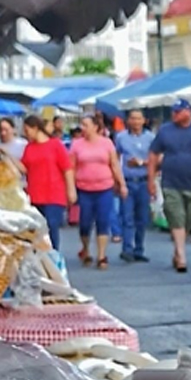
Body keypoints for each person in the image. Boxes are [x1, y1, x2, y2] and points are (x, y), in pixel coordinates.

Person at [148, 99, 191, 273]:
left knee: (187, 219)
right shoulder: (165, 131)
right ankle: (182, 256)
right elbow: (153, 154)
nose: (174, 115)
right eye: (173, 111)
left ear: (188, 112)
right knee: (176, 215)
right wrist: (150, 179)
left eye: (177, 111)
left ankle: (177, 250)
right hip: (170, 182)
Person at [70, 115, 127, 270]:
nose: (83, 128)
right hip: (84, 188)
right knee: (85, 222)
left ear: (95, 127)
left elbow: (114, 165)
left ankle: (102, 255)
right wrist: (70, 188)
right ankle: (86, 249)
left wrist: (122, 184)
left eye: (86, 124)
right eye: (82, 125)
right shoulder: (76, 144)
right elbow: (72, 168)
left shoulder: (107, 143)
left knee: (103, 221)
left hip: (104, 188)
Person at [15, 115, 75, 250]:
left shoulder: (55, 145)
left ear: (36, 128)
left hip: (53, 193)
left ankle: (53, 255)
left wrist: (71, 190)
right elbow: (25, 168)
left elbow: (67, 168)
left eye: (27, 130)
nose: (26, 134)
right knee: (37, 229)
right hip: (35, 193)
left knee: (51, 226)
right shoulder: (29, 147)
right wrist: (9, 157)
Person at [115, 109, 154, 263]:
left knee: (142, 218)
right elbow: (115, 159)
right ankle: (127, 249)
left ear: (144, 120)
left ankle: (139, 249)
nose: (136, 122)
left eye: (139, 119)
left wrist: (141, 163)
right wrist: (117, 181)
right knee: (127, 217)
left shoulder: (151, 138)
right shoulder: (121, 137)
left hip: (144, 180)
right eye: (133, 118)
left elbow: (156, 160)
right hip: (127, 181)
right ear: (128, 121)